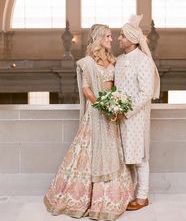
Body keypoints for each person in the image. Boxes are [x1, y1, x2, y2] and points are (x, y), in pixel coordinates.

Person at [44, 24, 134, 220]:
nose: (112, 39)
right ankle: (82, 198)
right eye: (109, 36)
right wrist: (102, 105)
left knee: (111, 151)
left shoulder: (113, 61)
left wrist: (116, 105)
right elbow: (86, 89)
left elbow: (117, 87)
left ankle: (108, 199)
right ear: (100, 38)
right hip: (96, 113)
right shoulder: (87, 62)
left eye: (112, 36)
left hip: (111, 113)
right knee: (87, 152)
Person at [115, 14, 160, 211]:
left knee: (140, 158)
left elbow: (146, 93)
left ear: (132, 39)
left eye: (122, 36)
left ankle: (142, 197)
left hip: (135, 117)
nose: (119, 39)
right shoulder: (118, 60)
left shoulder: (143, 61)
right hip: (118, 117)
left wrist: (127, 111)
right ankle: (128, 194)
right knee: (125, 158)